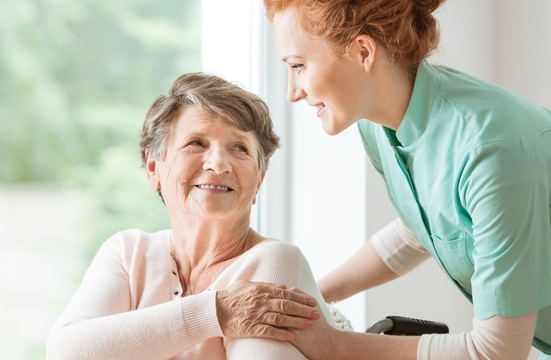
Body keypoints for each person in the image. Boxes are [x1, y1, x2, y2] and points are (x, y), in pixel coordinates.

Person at [261, 0, 551, 359]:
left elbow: (496, 351)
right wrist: (310, 300)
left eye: (299, 66)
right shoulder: (377, 125)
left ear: (363, 51)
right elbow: (422, 227)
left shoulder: (490, 153)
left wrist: (332, 344)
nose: (293, 92)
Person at [46, 72, 340, 359]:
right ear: (153, 169)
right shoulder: (128, 253)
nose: (218, 164)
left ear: (259, 180)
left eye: (239, 148)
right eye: (196, 143)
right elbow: (65, 351)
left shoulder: (274, 260)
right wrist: (217, 312)